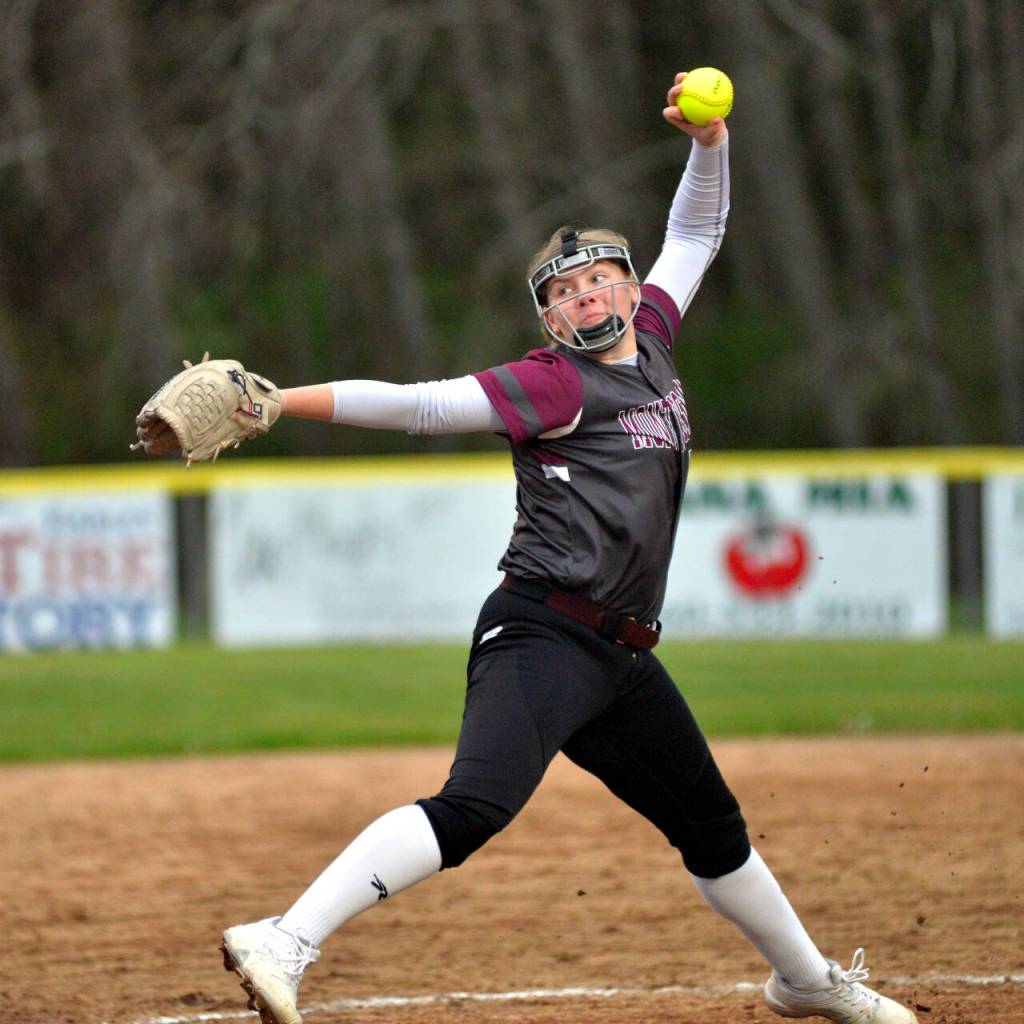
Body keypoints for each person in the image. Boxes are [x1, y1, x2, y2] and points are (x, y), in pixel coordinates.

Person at [219, 73, 918, 1024]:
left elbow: (699, 235)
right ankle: (284, 938)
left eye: (599, 279)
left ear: (629, 288)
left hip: (623, 656)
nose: (587, 297)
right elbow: (422, 404)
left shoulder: (659, 339)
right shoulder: (557, 386)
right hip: (544, 632)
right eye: (565, 292)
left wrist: (709, 145)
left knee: (712, 827)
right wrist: (279, 401)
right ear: (550, 321)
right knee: (473, 808)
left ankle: (804, 982)